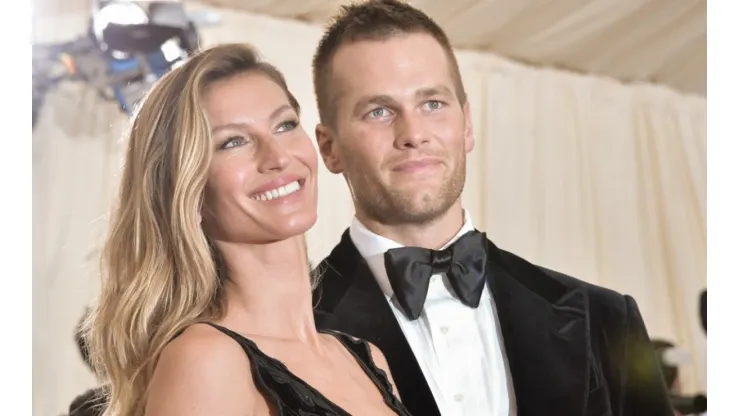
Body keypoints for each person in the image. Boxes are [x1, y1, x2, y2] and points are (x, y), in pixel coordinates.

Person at [309, 1, 674, 415]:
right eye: (379, 111)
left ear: (466, 124)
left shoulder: (605, 319)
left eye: (432, 104)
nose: (413, 133)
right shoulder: (286, 334)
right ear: (330, 148)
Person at [82, 43, 411, 416]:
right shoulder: (205, 360)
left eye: (285, 125)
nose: (278, 157)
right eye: (233, 142)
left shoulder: (366, 358)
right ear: (186, 189)